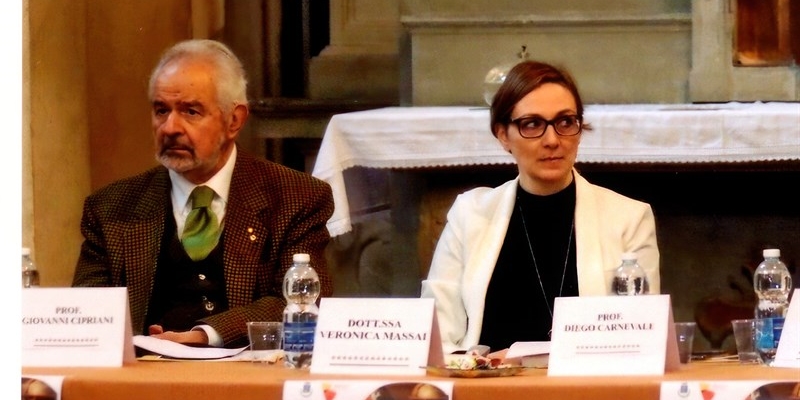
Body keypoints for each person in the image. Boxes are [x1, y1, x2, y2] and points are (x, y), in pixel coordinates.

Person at [72, 39, 334, 348]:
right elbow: (88, 314)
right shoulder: (111, 207)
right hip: (145, 371)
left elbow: (300, 303)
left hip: (248, 371)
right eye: (161, 111)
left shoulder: (296, 197)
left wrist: (204, 335)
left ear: (234, 120)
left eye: (191, 111)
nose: (170, 128)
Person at [420, 60, 660, 354]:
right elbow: (438, 334)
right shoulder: (470, 214)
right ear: (503, 135)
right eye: (532, 124)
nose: (552, 140)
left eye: (565, 122)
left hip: (586, 380)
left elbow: (639, 340)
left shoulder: (629, 219)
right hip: (489, 380)